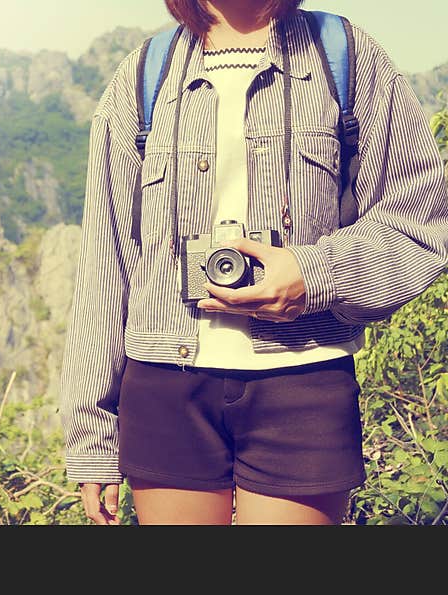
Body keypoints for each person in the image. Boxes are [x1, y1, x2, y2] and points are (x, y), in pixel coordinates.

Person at [59, 0, 448, 525]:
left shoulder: (348, 59)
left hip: (303, 375)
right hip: (166, 383)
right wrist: (93, 436)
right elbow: (105, 266)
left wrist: (316, 275)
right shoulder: (143, 75)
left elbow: (423, 221)